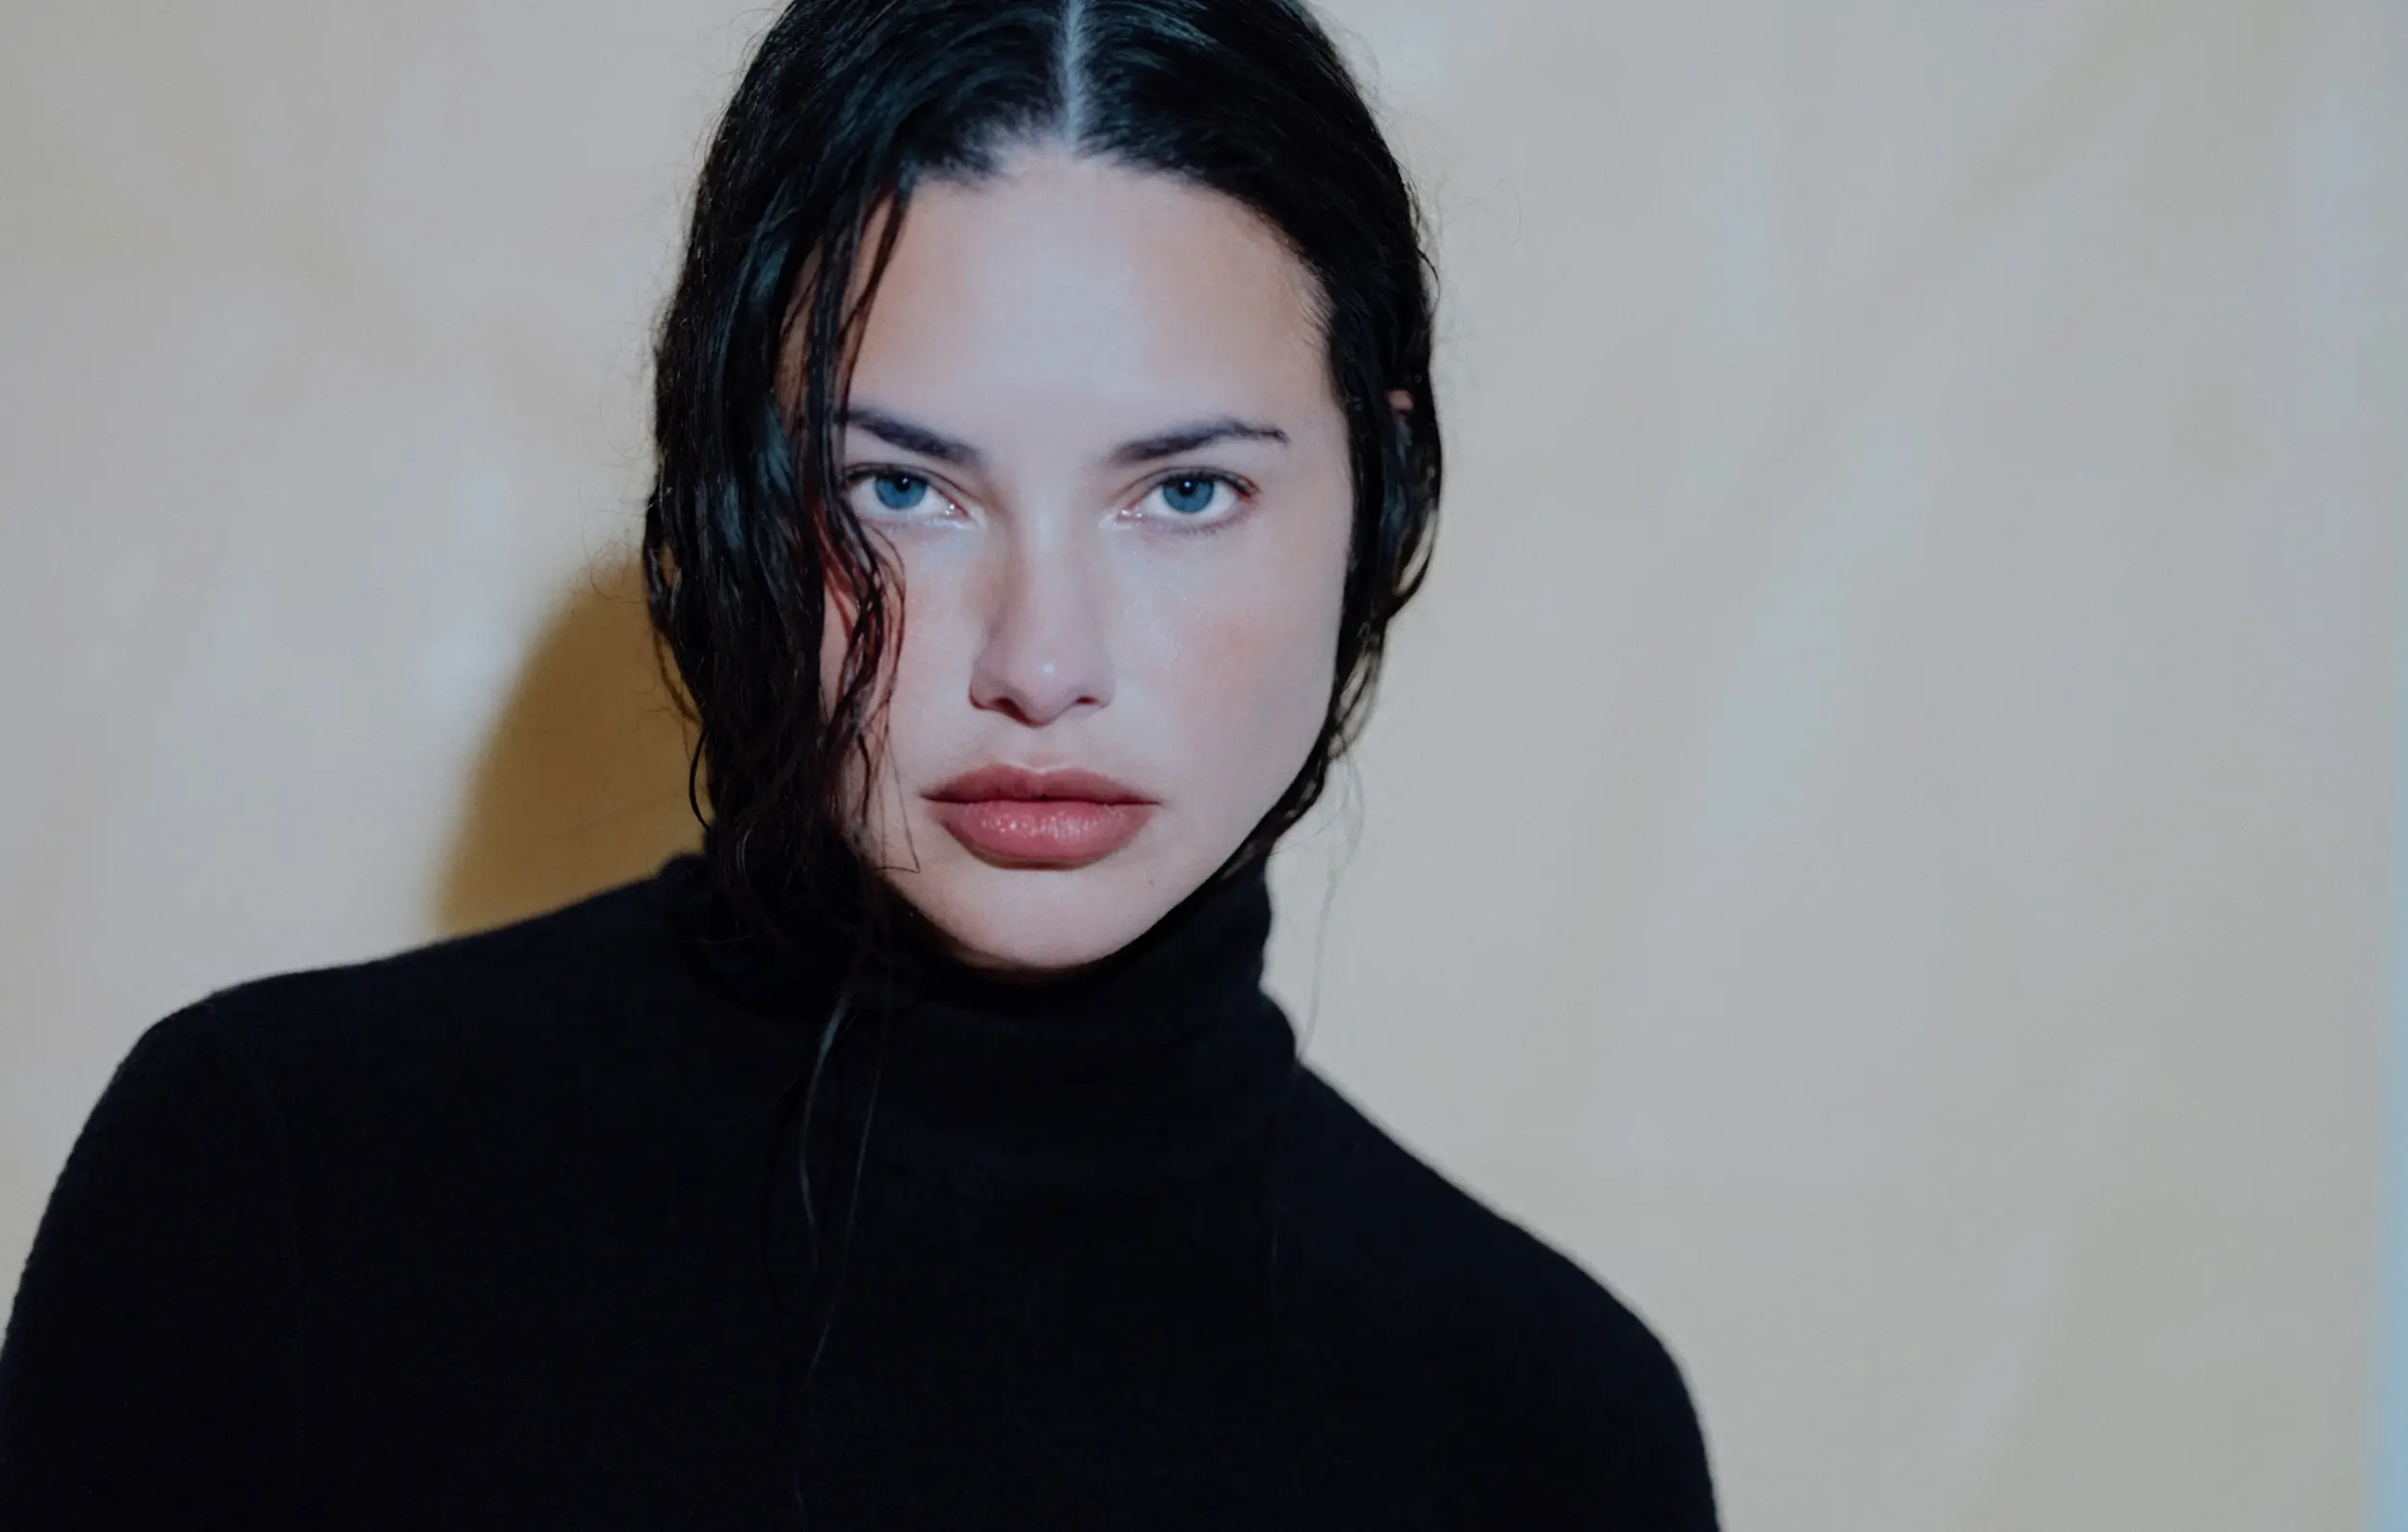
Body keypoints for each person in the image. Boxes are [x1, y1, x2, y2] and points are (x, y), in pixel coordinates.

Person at [0, 0, 1718, 1524]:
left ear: (1379, 493)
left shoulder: (1552, 1431)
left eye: (1185, 491)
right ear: (731, 492)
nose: (1040, 663)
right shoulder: (281, 1189)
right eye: (902, 488)